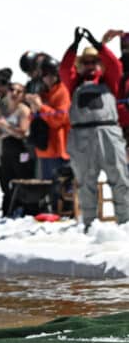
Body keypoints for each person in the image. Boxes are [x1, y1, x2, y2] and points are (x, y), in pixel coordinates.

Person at [60, 27, 129, 230]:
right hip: (81, 135)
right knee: (85, 183)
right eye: (86, 62)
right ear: (80, 66)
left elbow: (114, 65)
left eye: (94, 62)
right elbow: (64, 69)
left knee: (119, 179)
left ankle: (125, 223)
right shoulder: (74, 83)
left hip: (108, 132)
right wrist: (74, 46)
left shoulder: (109, 81)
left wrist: (98, 44)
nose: (90, 66)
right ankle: (90, 225)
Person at [0, 80, 35, 216]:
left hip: (21, 148)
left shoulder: (23, 110)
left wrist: (5, 125)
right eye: (11, 90)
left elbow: (23, 132)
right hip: (6, 147)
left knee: (22, 178)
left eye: (18, 91)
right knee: (6, 179)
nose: (14, 93)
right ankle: (9, 207)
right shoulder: (2, 109)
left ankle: (25, 207)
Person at [25, 56, 70, 181]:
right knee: (48, 190)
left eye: (52, 74)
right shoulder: (42, 92)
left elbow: (60, 118)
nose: (49, 78)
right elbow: (32, 119)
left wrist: (40, 107)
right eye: (45, 74)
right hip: (45, 149)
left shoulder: (62, 91)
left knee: (62, 192)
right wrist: (34, 110)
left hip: (60, 150)